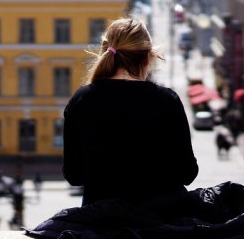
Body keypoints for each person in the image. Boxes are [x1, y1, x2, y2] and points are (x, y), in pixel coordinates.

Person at [62, 17, 199, 206]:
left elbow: (74, 176)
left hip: (102, 224)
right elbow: (187, 173)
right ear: (147, 58)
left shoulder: (82, 100)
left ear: (106, 51)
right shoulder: (166, 101)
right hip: (160, 224)